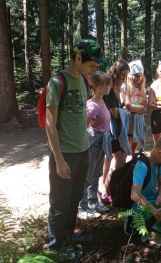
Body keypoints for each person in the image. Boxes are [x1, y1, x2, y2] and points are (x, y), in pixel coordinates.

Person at [45, 39, 104, 259]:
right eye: (92, 65)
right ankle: (55, 247)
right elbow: (50, 124)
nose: (94, 70)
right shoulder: (57, 82)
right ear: (78, 58)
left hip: (82, 150)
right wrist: (59, 160)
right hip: (65, 154)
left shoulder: (83, 81)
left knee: (74, 197)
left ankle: (68, 237)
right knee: (60, 202)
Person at [126, 134, 161, 238]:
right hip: (143, 207)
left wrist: (160, 196)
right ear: (159, 151)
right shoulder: (141, 166)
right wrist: (154, 212)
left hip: (155, 202)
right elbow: (134, 195)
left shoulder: (158, 163)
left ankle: (160, 220)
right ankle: (143, 224)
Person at [78, 71, 112, 219]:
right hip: (93, 142)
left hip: (102, 141)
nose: (109, 87)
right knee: (87, 175)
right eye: (106, 85)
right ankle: (82, 207)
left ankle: (93, 202)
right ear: (97, 86)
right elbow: (84, 127)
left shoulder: (102, 101)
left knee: (96, 173)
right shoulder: (92, 106)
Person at [99, 60, 130, 203]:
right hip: (111, 130)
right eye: (122, 75)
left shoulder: (119, 87)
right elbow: (114, 112)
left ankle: (107, 190)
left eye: (126, 75)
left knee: (117, 161)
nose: (124, 78)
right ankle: (106, 191)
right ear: (116, 72)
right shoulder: (110, 88)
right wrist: (124, 111)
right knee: (119, 161)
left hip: (118, 130)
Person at [124, 60, 147, 156]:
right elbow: (128, 106)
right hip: (128, 119)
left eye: (141, 75)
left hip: (138, 119)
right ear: (130, 75)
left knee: (135, 143)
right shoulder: (126, 87)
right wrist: (140, 108)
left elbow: (146, 108)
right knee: (127, 142)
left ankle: (132, 160)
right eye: (136, 75)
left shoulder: (141, 88)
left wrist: (138, 108)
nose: (139, 78)